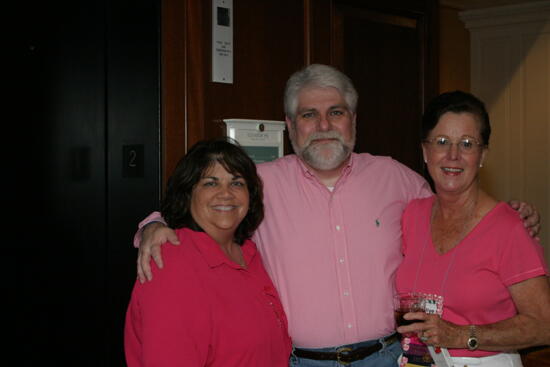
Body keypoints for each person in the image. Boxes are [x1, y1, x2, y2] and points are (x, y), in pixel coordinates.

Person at [133, 64, 541, 367]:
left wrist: (511, 217)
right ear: (291, 126)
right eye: (309, 115)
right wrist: (154, 225)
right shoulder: (257, 183)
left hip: (390, 357)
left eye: (337, 112)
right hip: (302, 362)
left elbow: (456, 210)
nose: (324, 124)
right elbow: (206, 202)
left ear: (354, 121)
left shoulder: (397, 178)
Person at [395, 91, 550, 367]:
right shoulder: (412, 216)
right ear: (425, 151)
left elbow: (543, 325)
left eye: (467, 144)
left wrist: (462, 335)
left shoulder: (509, 227)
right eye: (442, 142)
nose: (453, 155)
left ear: (482, 155)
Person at [124, 138, 292, 367]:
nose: (226, 194)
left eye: (237, 183)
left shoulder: (249, 252)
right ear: (188, 192)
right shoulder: (171, 263)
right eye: (211, 183)